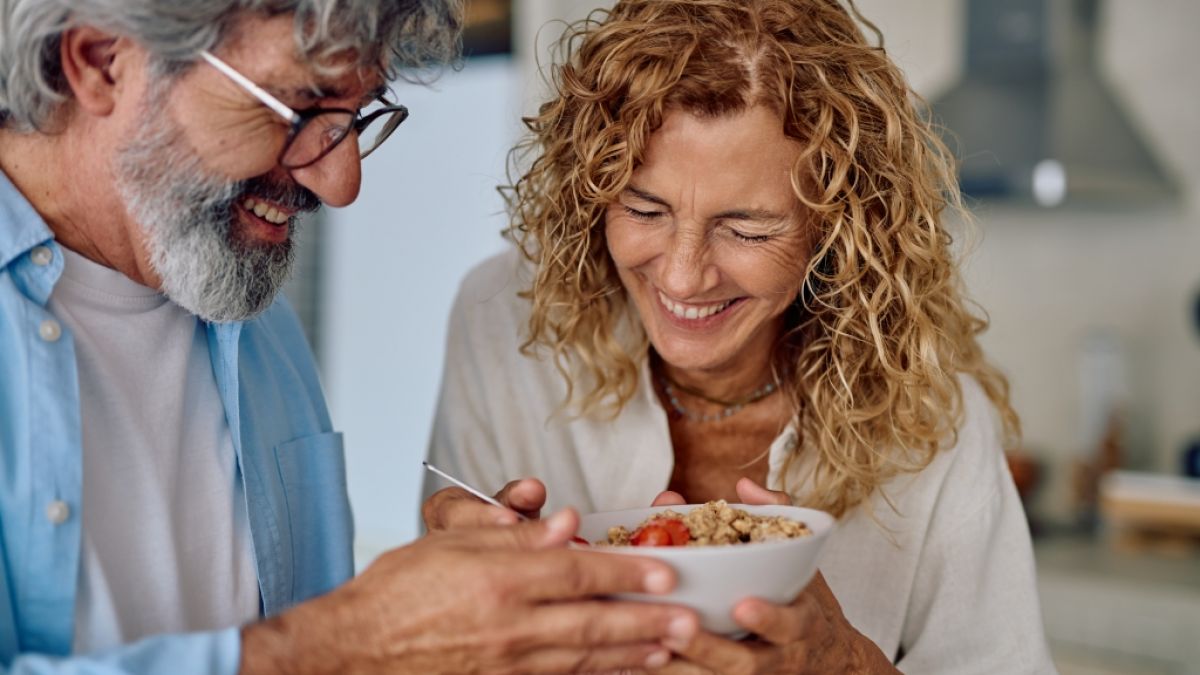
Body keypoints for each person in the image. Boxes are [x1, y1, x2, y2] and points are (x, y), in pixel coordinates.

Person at [0, 1, 704, 672]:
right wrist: (340, 648)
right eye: (300, 107)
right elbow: (322, 648)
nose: (341, 183)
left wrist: (452, 622)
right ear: (101, 62)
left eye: (356, 115)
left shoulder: (250, 313)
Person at [423, 0, 1057, 672]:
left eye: (748, 229)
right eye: (644, 209)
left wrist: (844, 663)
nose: (684, 276)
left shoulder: (936, 417)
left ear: (836, 226)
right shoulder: (503, 321)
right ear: (592, 193)